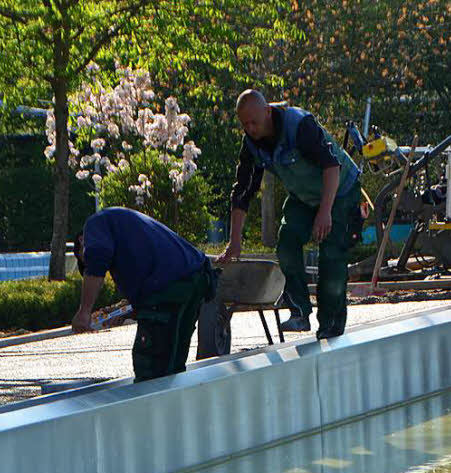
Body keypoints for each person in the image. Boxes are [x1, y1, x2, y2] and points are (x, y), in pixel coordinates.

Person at [221, 89, 364, 338]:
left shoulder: (299, 125)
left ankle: (331, 326)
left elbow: (332, 166)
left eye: (254, 122)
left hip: (339, 191)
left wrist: (325, 212)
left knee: (331, 255)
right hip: (304, 196)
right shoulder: (252, 146)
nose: (251, 129)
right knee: (287, 242)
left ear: (268, 111)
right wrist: (235, 241)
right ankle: (299, 310)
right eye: (245, 124)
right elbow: (242, 192)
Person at [72, 207, 216, 382]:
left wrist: (84, 312)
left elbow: (97, 259)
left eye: (84, 259)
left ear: (81, 241)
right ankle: (170, 405)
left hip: (171, 285)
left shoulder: (95, 224)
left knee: (151, 369)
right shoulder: (122, 225)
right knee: (172, 367)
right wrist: (134, 311)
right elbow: (146, 269)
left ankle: (153, 408)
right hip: (195, 276)